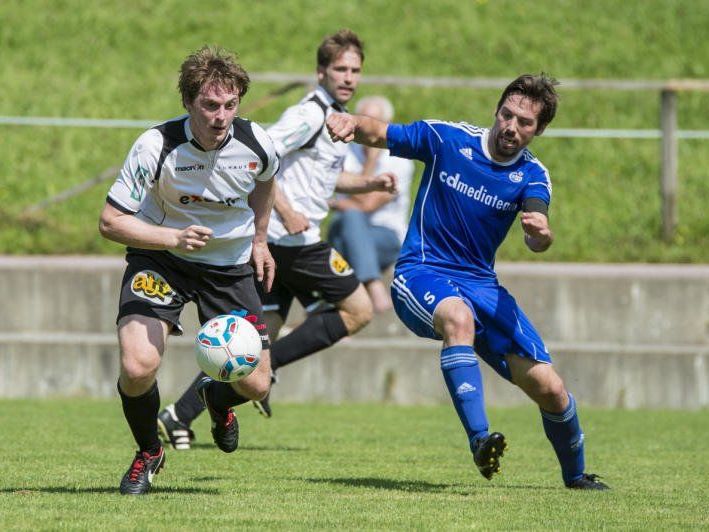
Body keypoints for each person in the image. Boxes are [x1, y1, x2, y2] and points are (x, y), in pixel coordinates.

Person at [326, 74, 609, 490]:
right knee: (458, 319)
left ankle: (577, 476)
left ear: (539, 130)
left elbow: (537, 232)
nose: (511, 127)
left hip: (481, 285)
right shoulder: (447, 140)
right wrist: (351, 122)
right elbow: (383, 132)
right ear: (497, 110)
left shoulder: (533, 175)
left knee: (550, 387)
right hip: (421, 271)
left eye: (525, 123)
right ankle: (480, 440)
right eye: (507, 115)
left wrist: (540, 234)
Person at [158, 29, 397, 448]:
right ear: (321, 71)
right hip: (291, 242)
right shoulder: (308, 115)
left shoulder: (334, 115)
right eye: (339, 68)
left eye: (355, 70)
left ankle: (181, 412)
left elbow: (322, 176)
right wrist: (285, 212)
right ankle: (264, 378)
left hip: (280, 245)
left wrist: (366, 182)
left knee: (255, 343)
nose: (348, 77)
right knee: (359, 309)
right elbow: (260, 158)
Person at [98, 45, 280, 495]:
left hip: (229, 267)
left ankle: (216, 399)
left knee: (257, 383)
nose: (222, 116)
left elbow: (266, 181)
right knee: (138, 365)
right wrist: (171, 239)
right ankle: (148, 452)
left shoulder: (257, 143)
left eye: (231, 105)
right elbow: (110, 221)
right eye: (210, 105)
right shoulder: (156, 145)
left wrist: (260, 240)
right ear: (188, 102)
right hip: (162, 260)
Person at [328, 96, 414, 313]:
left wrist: (372, 159)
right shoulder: (345, 151)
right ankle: (371, 285)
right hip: (346, 232)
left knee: (347, 226)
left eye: (375, 120)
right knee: (345, 226)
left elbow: (366, 204)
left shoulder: (400, 160)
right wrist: (370, 164)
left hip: (386, 236)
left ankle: (334, 309)